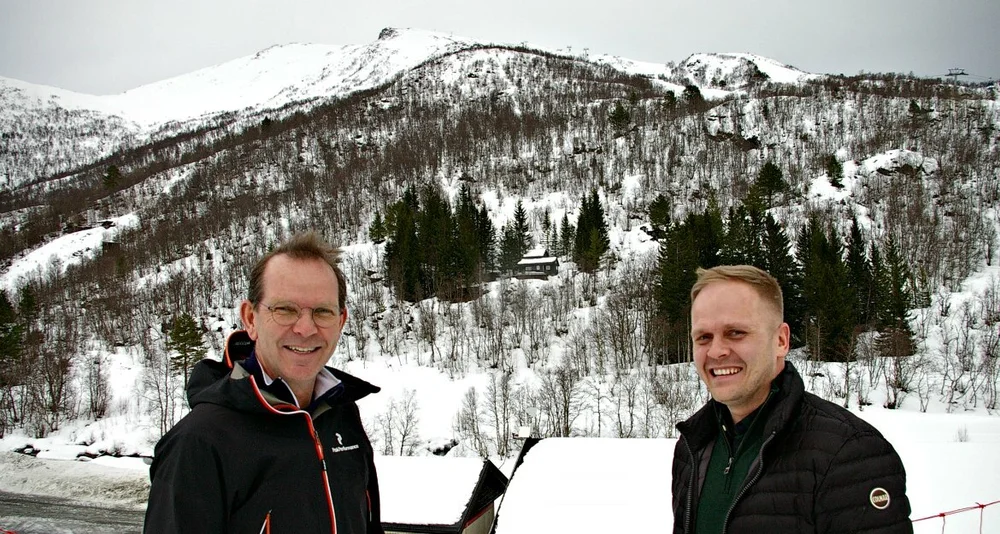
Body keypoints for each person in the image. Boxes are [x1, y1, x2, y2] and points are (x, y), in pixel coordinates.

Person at [144, 231, 384, 534]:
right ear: (250, 318)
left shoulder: (342, 416)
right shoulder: (200, 442)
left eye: (322, 311)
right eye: (285, 309)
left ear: (340, 321)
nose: (306, 328)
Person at [672, 265, 912, 534]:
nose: (716, 351)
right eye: (703, 337)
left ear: (781, 340)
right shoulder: (693, 448)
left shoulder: (849, 454)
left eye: (736, 333)